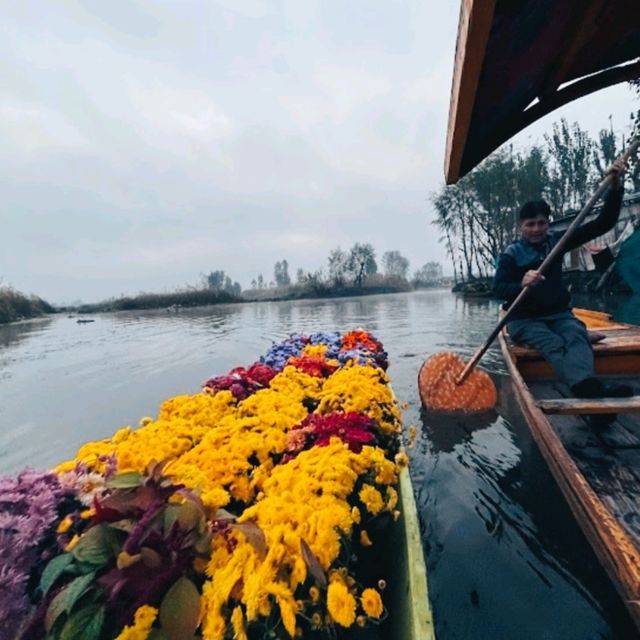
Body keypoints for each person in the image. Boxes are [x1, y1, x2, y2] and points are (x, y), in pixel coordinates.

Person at [493, 158, 632, 427]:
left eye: (541, 223)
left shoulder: (558, 242)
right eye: (530, 224)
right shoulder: (510, 254)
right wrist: (521, 283)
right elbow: (498, 290)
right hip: (524, 321)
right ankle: (594, 395)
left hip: (559, 315)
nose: (536, 229)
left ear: (548, 223)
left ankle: (590, 396)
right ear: (521, 226)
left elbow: (603, 223)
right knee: (553, 343)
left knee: (576, 335)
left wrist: (615, 186)